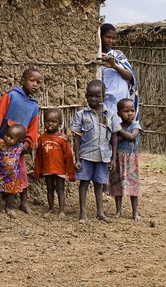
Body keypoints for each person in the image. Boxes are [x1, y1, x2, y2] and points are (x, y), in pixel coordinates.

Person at [0, 68, 42, 215]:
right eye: (32, 80)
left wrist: (28, 142)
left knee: (20, 173)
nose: (35, 84)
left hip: (17, 147)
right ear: (22, 80)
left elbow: (33, 126)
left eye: (38, 82)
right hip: (1, 142)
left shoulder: (34, 105)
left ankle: (23, 203)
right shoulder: (11, 96)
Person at [70, 80, 120, 223]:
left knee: (99, 184)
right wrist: (77, 158)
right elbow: (77, 138)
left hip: (103, 156)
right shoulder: (81, 115)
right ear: (86, 96)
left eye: (97, 96)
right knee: (84, 183)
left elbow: (114, 137)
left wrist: (113, 159)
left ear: (104, 96)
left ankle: (100, 212)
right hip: (86, 155)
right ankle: (83, 214)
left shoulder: (110, 115)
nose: (93, 99)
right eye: (90, 96)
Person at [35, 108, 75, 218]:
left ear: (60, 123)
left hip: (59, 169)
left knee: (60, 189)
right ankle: (51, 208)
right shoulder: (42, 138)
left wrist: (70, 172)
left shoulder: (62, 139)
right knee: (49, 188)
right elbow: (39, 156)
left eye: (54, 121)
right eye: (48, 121)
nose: (50, 124)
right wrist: (38, 170)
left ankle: (61, 210)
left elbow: (68, 156)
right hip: (47, 169)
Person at [109, 98, 143, 220]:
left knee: (133, 186)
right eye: (126, 111)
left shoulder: (136, 125)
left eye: (132, 110)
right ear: (119, 114)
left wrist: (119, 132)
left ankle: (135, 212)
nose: (130, 113)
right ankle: (118, 211)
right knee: (117, 185)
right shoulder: (118, 127)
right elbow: (113, 142)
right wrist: (120, 133)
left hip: (131, 160)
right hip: (118, 159)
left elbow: (131, 136)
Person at [100, 23, 138, 119]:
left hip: (123, 103)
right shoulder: (96, 57)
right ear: (99, 36)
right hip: (107, 103)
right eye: (107, 37)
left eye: (113, 38)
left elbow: (130, 76)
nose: (111, 41)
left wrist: (115, 66)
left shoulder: (118, 55)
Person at [0, 124, 27, 218]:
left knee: (11, 193)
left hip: (13, 175)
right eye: (7, 135)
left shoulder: (19, 147)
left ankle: (9, 208)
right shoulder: (0, 143)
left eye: (11, 138)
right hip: (0, 173)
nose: (7, 138)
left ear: (19, 140)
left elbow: (28, 149)